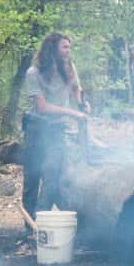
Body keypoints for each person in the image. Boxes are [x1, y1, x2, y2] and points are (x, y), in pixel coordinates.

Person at [22, 32, 88, 220]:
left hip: (57, 130)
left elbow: (76, 89)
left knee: (51, 178)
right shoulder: (33, 73)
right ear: (52, 49)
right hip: (36, 129)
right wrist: (73, 113)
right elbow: (42, 107)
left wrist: (82, 103)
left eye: (69, 47)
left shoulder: (69, 68)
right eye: (64, 47)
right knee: (32, 179)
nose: (68, 51)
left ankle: (41, 224)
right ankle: (29, 227)